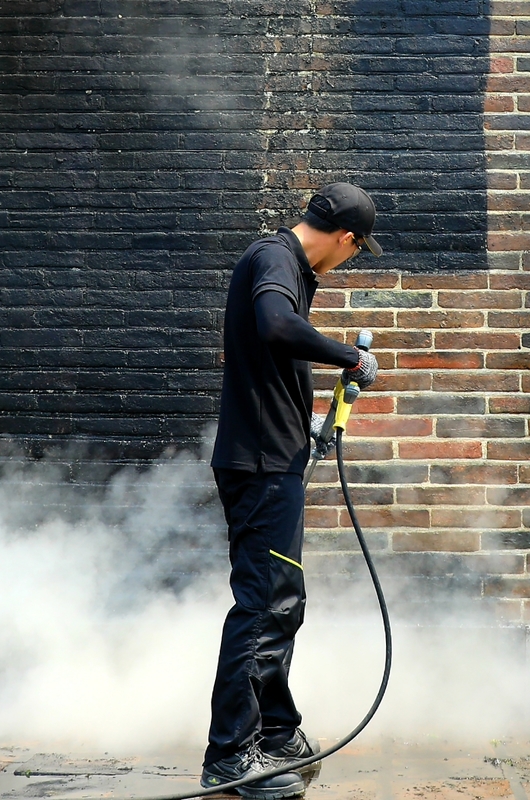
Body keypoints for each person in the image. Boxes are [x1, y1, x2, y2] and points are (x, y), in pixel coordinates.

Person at [200, 183, 382, 799]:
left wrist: (304, 422)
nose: (348, 260)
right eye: (355, 251)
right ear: (347, 238)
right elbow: (277, 328)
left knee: (283, 600)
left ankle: (275, 734)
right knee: (262, 606)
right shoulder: (275, 259)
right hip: (260, 467)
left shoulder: (287, 271)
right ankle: (229, 757)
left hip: (272, 456)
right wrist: (347, 359)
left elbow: (267, 358)